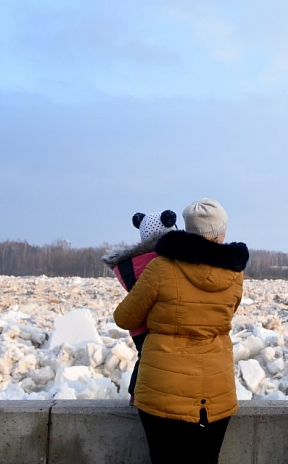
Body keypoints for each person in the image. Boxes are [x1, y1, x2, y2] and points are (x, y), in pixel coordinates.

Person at [113, 198, 248, 464]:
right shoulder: (234, 275)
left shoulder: (161, 268)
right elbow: (223, 314)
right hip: (214, 392)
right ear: (222, 232)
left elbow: (124, 318)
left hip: (162, 390)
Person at [101, 209, 178, 403]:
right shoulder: (169, 261)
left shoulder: (130, 265)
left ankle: (138, 398)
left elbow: (125, 315)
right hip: (166, 326)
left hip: (140, 329)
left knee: (146, 363)